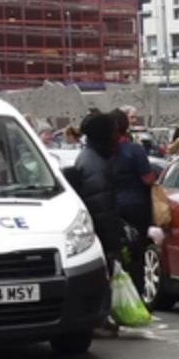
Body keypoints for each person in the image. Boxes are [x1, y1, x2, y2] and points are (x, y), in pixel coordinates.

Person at [71, 112, 124, 337]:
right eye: (113, 132)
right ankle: (100, 318)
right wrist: (116, 240)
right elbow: (102, 208)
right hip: (99, 235)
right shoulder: (97, 166)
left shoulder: (88, 158)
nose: (117, 137)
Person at [111, 109, 154, 297]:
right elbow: (147, 179)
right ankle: (136, 296)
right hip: (137, 208)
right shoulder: (134, 150)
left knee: (118, 254)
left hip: (114, 209)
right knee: (137, 255)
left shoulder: (105, 152)